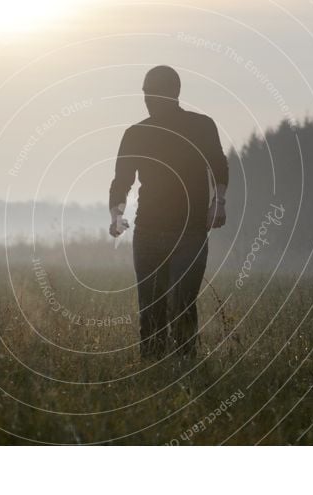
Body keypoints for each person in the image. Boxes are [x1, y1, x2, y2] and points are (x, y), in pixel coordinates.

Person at [108, 65, 228, 362]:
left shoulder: (202, 126)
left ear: (171, 94)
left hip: (190, 233)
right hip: (147, 232)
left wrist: (219, 202)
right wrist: (116, 214)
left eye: (152, 93)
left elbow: (218, 166)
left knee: (183, 304)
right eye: (145, 92)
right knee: (150, 308)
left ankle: (185, 366)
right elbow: (121, 182)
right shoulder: (136, 133)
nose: (147, 98)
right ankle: (152, 370)